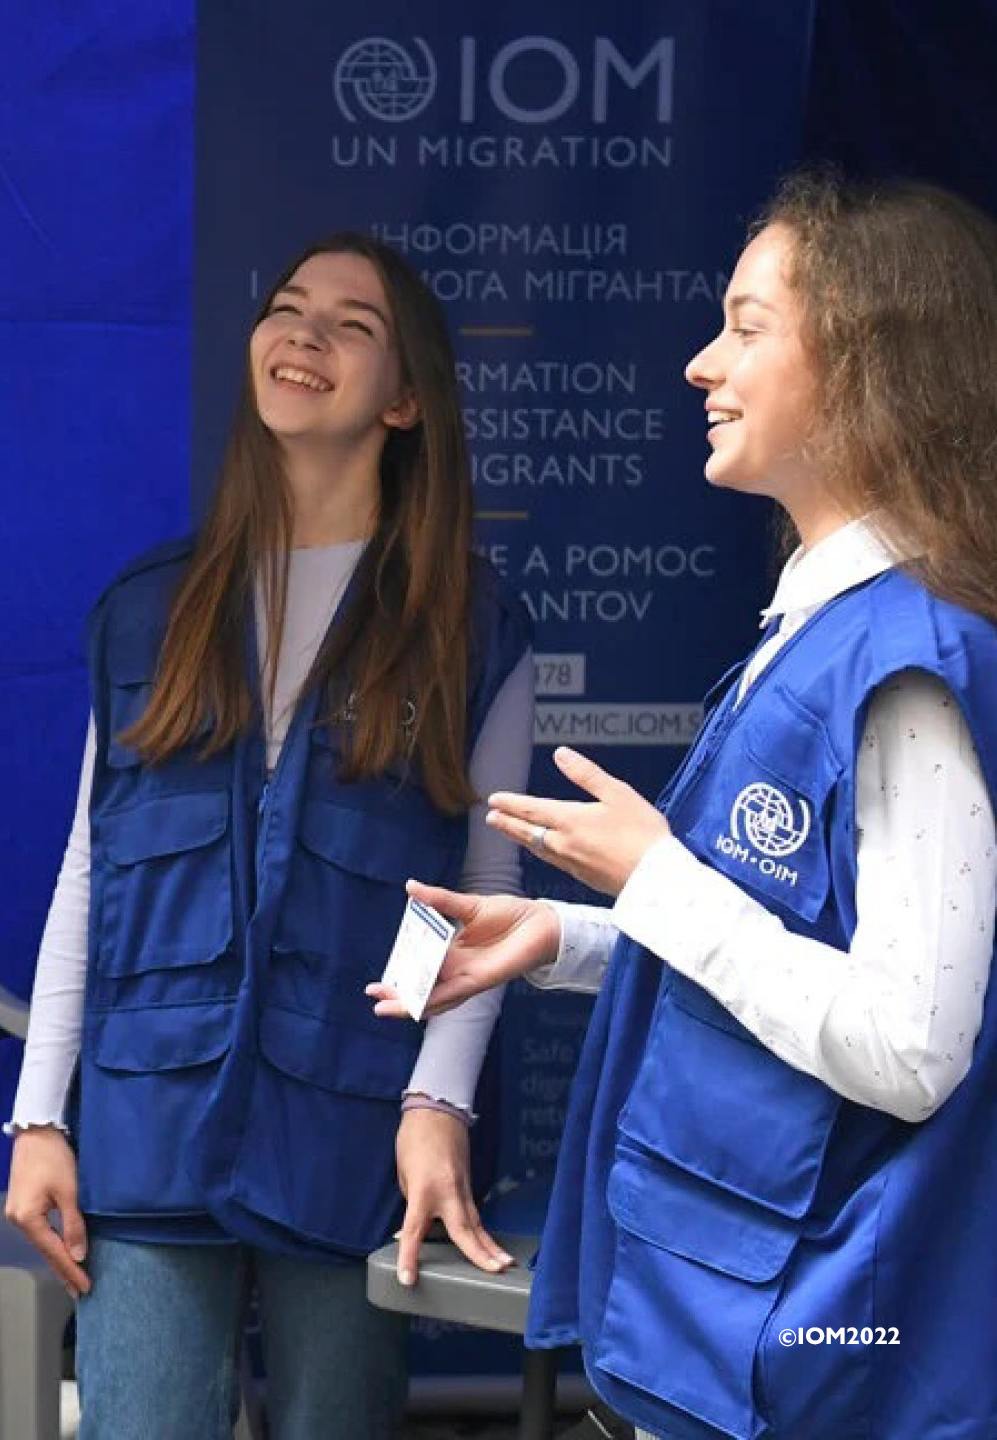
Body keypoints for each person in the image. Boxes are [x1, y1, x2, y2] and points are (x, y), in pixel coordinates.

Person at [372, 173, 997, 1440]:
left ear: (872, 359)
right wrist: (569, 940)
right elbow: (793, 942)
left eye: (749, 326)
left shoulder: (908, 661)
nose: (703, 363)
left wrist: (653, 882)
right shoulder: (819, 633)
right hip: (719, 1330)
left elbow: (911, 1051)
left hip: (811, 1351)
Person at [3, 232, 536, 1439]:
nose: (303, 334)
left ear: (406, 398)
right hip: (148, 1122)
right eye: (287, 307)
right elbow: (90, 868)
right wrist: (43, 1116)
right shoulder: (149, 610)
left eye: (352, 323)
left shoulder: (473, 626)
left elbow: (474, 889)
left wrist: (433, 1104)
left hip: (352, 1132)